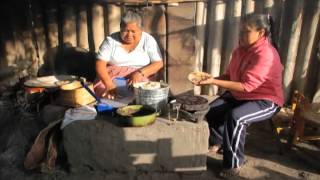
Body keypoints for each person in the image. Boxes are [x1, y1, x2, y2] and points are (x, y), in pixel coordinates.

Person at [192, 14, 284, 177]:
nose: (240, 36)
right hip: (240, 95)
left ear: (261, 33)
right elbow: (230, 76)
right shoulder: (240, 50)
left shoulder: (266, 55)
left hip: (265, 99)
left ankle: (234, 164)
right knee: (209, 110)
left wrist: (214, 82)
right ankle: (219, 140)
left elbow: (247, 86)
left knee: (236, 117)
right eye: (240, 31)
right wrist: (210, 78)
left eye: (245, 32)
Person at [94, 9, 163, 99]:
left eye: (133, 31)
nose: (129, 35)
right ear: (120, 28)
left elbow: (158, 63)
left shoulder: (148, 40)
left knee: (140, 96)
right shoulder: (110, 41)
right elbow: (100, 64)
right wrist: (109, 84)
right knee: (106, 95)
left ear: (141, 30)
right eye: (125, 31)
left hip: (140, 78)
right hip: (112, 77)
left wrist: (140, 73)